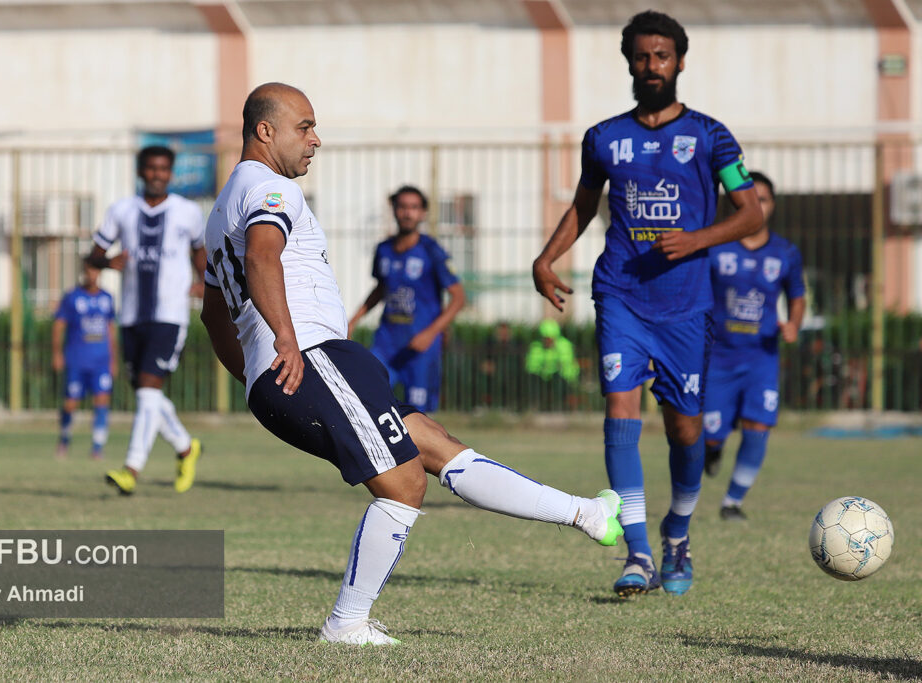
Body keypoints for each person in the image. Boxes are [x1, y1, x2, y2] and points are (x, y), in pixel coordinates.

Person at [201, 82, 625, 646]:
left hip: (301, 368)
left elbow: (212, 316)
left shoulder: (218, 210)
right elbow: (262, 254)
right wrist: (286, 343)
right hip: (312, 357)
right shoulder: (269, 187)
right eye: (304, 127)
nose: (315, 139)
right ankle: (347, 622)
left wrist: (259, 376)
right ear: (265, 131)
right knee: (403, 484)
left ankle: (583, 513)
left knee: (430, 441)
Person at [531, 10, 763, 597]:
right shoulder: (605, 137)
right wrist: (546, 257)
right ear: (629, 62)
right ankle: (636, 552)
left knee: (685, 433)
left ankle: (677, 531)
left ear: (679, 62)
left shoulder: (711, 136)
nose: (651, 65)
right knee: (619, 411)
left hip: (685, 305)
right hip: (621, 293)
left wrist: (697, 239)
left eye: (662, 56)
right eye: (642, 56)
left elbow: (751, 212)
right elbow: (584, 207)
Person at [90, 145, 205, 495]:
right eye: (151, 169)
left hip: (169, 316)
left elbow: (201, 254)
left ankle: (131, 469)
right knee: (146, 393)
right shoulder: (121, 210)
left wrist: (205, 285)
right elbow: (94, 255)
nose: (157, 175)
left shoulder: (187, 212)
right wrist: (109, 263)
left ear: (171, 173)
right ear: (141, 171)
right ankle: (186, 447)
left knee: (148, 391)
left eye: (163, 169)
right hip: (131, 316)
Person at [703, 172, 806, 519]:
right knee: (711, 433)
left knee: (759, 426)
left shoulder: (785, 252)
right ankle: (712, 448)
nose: (757, 206)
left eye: (764, 199)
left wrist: (793, 324)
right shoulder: (715, 249)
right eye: (750, 198)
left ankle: (732, 502)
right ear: (737, 203)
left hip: (761, 358)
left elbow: (797, 296)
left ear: (772, 205)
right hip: (717, 358)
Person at [348, 185, 466, 412]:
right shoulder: (383, 249)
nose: (407, 213)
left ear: (422, 213)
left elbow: (458, 297)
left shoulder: (432, 251)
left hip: (420, 345)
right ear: (393, 210)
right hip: (386, 342)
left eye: (413, 207)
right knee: (368, 400)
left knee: (418, 414)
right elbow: (381, 289)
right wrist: (353, 320)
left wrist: (431, 333)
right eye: (402, 207)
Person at [51, 255, 117, 459]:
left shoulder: (107, 298)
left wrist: (114, 359)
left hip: (100, 362)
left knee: (102, 401)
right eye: (89, 270)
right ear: (84, 272)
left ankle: (97, 448)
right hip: (77, 360)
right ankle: (64, 440)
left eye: (96, 270)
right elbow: (59, 326)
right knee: (70, 403)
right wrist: (57, 353)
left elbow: (111, 330)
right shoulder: (72, 297)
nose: (93, 274)